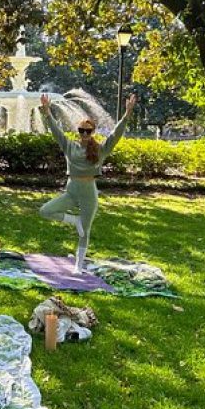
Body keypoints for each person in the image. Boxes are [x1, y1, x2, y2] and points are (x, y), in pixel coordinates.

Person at [38, 92, 137, 274]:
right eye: (81, 130)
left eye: (88, 131)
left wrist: (127, 113)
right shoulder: (70, 146)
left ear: (93, 132)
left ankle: (78, 266)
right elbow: (55, 130)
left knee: (85, 230)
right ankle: (74, 220)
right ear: (78, 132)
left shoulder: (100, 149)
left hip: (88, 192)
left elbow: (116, 134)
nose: (84, 134)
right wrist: (47, 110)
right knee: (45, 210)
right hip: (72, 190)